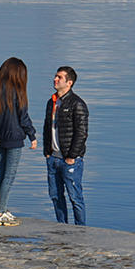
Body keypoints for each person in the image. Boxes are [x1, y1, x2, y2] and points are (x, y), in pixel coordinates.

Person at [0, 57, 37, 226]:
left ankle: (3, 209)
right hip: (14, 138)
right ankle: (0, 213)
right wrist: (32, 135)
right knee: (9, 175)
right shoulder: (16, 90)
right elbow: (23, 116)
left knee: (2, 175)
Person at [43, 65, 88, 225]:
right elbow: (47, 127)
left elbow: (81, 133)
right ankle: (62, 228)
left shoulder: (77, 104)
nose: (55, 79)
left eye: (59, 77)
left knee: (75, 197)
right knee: (55, 196)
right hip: (53, 159)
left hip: (70, 161)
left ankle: (81, 230)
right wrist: (47, 152)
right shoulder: (52, 102)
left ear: (69, 83)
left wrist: (71, 156)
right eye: (55, 76)